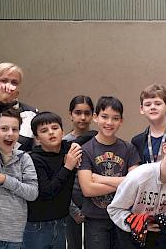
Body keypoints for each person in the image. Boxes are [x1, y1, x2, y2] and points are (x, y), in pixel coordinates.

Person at [108, 131, 166, 248]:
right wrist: (139, 224)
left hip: (161, 241)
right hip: (131, 239)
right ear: (165, 148)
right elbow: (115, 210)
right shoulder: (139, 176)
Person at [78, 96, 141, 249]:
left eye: (115, 118)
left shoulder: (129, 149)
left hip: (123, 216)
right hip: (96, 218)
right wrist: (123, 182)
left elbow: (136, 184)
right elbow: (88, 189)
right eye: (104, 117)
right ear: (95, 117)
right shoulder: (85, 150)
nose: (109, 123)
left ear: (121, 121)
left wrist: (99, 179)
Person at [24, 112, 85, 249]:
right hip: (37, 225)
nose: (51, 133)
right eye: (44, 131)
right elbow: (47, 191)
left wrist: (76, 145)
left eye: (55, 128)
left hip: (61, 221)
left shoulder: (67, 149)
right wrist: (68, 167)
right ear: (37, 138)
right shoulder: (34, 159)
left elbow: (91, 134)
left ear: (63, 132)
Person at [0, 107, 39, 248]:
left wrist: (3, 179)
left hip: (16, 236)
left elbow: (32, 193)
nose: (10, 134)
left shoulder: (24, 158)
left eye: (15, 129)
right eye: (4, 129)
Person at [63, 95, 97, 249]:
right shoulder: (63, 144)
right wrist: (73, 210)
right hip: (71, 205)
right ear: (70, 114)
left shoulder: (98, 140)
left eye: (87, 113)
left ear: (93, 115)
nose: (82, 117)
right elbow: (61, 180)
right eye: (78, 113)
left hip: (96, 205)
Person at [132, 84, 166, 165]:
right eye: (147, 104)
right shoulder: (137, 142)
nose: (153, 107)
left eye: (158, 103)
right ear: (142, 109)